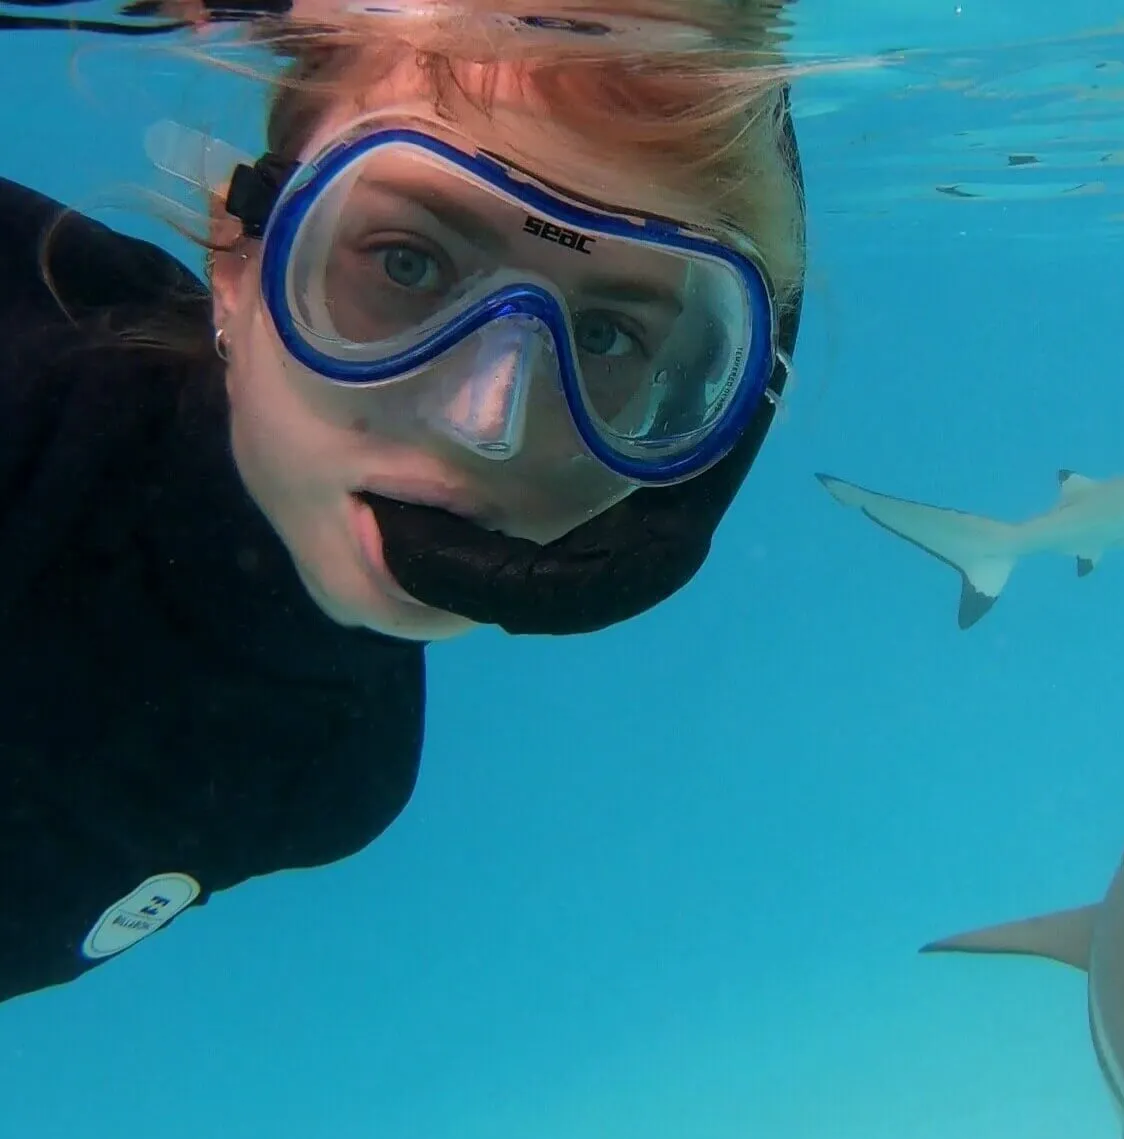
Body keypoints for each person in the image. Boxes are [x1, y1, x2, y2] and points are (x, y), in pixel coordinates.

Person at [0, 0, 806, 1005]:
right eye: (406, 264)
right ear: (235, 259)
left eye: (604, 339)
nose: (488, 421)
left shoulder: (337, 772)